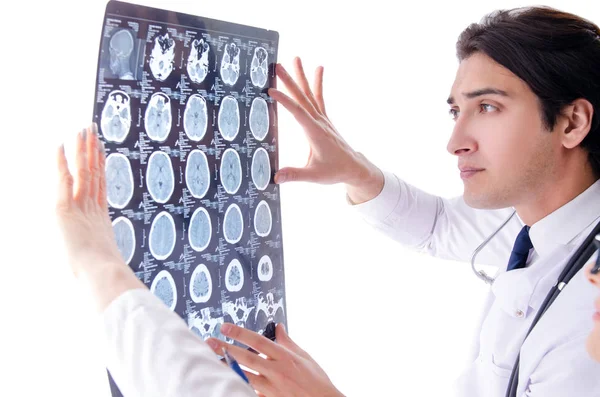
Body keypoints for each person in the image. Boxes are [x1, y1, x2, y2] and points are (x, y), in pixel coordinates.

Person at [55, 5, 600, 397]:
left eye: (488, 108)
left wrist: (99, 264)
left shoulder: (586, 335)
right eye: (454, 110)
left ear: (572, 122)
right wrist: (354, 170)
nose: (454, 141)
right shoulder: (547, 214)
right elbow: (443, 228)